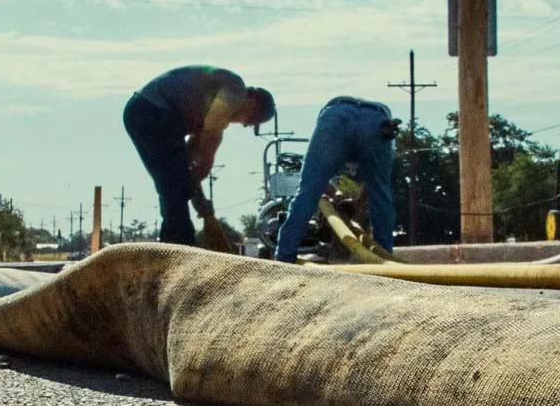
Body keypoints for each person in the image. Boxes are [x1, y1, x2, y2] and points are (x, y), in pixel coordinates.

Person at [124, 66, 276, 245]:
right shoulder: (235, 89)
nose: (245, 124)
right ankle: (179, 248)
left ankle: (175, 246)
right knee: (174, 188)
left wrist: (199, 195)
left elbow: (192, 157)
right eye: (252, 119)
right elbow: (211, 130)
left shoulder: (210, 108)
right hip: (152, 111)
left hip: (151, 113)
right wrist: (205, 165)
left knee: (175, 186)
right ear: (252, 100)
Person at [275, 96, 398, 262]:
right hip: (377, 120)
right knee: (381, 195)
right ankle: (386, 258)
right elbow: (375, 186)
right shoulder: (365, 163)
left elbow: (315, 180)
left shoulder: (334, 151)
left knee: (307, 192)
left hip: (336, 115)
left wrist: (339, 198)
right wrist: (353, 201)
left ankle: (284, 257)